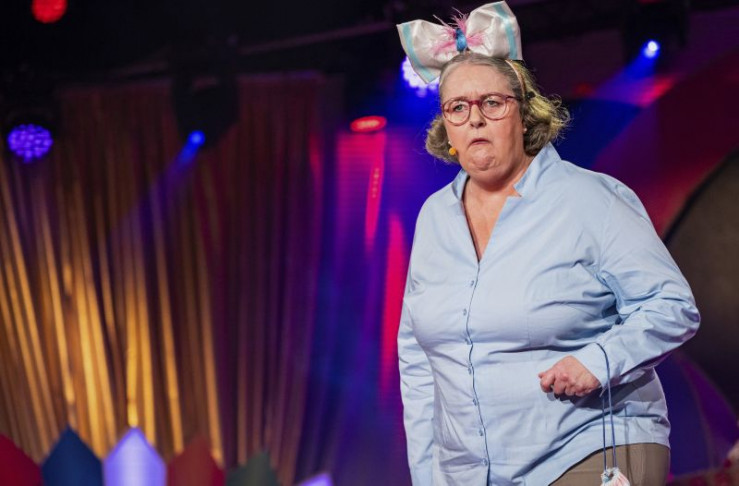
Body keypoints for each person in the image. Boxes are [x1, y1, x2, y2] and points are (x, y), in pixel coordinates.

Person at [396, 2, 700, 485]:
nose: (475, 119)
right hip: (471, 471)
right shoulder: (434, 217)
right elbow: (418, 359)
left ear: (524, 113)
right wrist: (427, 474)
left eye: (492, 103)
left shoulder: (589, 198)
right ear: (446, 126)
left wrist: (598, 362)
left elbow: (671, 306)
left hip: (590, 444)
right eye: (458, 107)